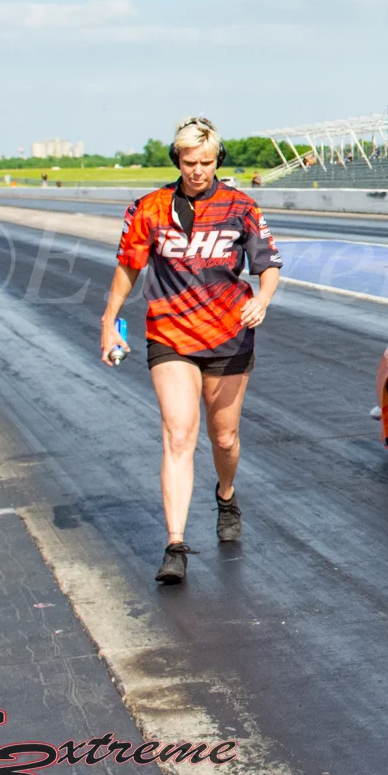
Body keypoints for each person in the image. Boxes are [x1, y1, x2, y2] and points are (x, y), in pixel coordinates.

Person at [98, 117, 282, 586]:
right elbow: (128, 267)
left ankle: (226, 494)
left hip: (229, 334)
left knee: (224, 439)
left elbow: (268, 265)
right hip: (171, 334)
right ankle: (175, 545)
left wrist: (262, 299)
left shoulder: (241, 206)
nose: (197, 171)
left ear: (217, 160)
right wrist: (109, 321)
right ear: (176, 160)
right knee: (179, 436)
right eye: (188, 162)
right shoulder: (150, 208)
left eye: (205, 162)